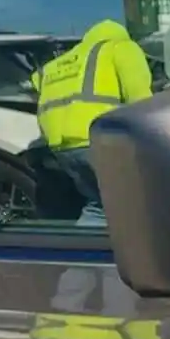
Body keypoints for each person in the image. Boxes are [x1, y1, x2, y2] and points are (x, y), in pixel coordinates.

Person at [28, 16, 154, 219]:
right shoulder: (121, 47)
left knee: (100, 205)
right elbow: (142, 101)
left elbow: (38, 86)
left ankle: (86, 245)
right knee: (133, 205)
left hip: (62, 148)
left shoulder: (62, 61)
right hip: (100, 141)